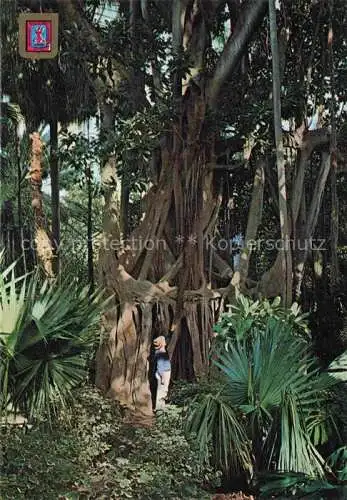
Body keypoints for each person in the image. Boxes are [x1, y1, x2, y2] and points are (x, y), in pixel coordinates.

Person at [153, 336, 171, 411]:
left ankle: (161, 407)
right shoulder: (160, 353)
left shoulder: (162, 351)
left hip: (165, 373)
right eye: (164, 340)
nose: (165, 341)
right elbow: (160, 366)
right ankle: (160, 409)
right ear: (161, 343)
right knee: (162, 391)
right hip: (163, 374)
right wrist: (163, 377)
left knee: (163, 390)